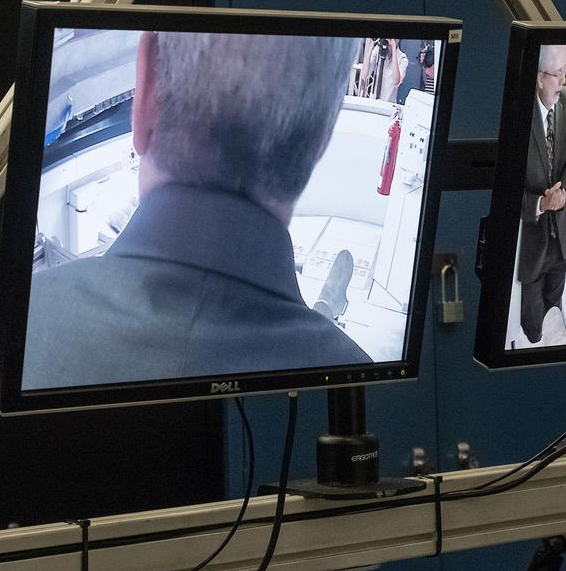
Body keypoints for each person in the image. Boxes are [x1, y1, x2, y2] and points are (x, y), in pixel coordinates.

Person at [22, 30, 369, 390]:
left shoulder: (25, 322)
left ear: (146, 91)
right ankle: (326, 308)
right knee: (321, 317)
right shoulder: (361, 384)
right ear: (321, 139)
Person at [518, 44, 566, 343]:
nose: (565, 81)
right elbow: (507, 190)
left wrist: (563, 191)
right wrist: (541, 203)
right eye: (558, 74)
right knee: (534, 331)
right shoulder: (518, 115)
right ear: (540, 78)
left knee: (555, 315)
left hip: (560, 244)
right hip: (532, 247)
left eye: (565, 71)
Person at [357, 37, 409, 103]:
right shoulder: (378, 50)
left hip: (389, 103)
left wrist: (393, 47)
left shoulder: (402, 58)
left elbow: (396, 82)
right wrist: (371, 46)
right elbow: (364, 75)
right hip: (373, 101)